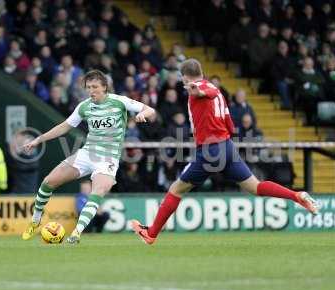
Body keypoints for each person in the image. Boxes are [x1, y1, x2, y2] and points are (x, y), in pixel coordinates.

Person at [131, 58, 319, 245]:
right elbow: (229, 121)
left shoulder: (202, 89)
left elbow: (207, 91)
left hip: (210, 150)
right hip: (226, 145)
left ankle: (152, 234)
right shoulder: (218, 92)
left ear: (185, 77)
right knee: (255, 187)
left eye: (183, 79)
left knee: (176, 189)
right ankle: (296, 195)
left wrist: (199, 89)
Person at [21, 70, 155, 244]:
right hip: (87, 154)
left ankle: (76, 232)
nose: (91, 91)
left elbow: (149, 109)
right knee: (48, 182)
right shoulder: (84, 106)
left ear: (104, 87)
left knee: (97, 192)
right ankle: (35, 220)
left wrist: (142, 114)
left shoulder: (119, 101)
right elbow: (64, 126)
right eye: (88, 87)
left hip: (108, 158)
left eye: (95, 87)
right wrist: (39, 139)